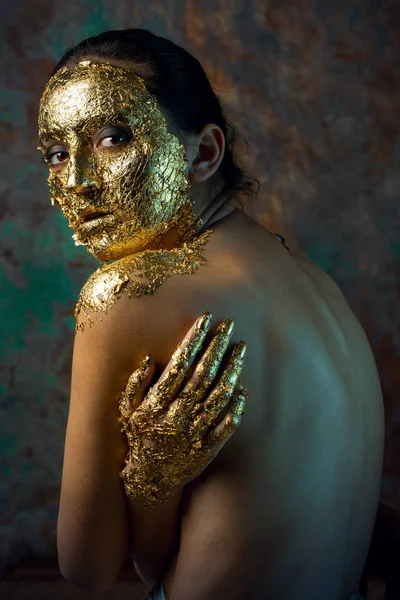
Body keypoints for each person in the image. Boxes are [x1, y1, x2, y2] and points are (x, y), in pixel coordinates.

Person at [37, 29, 384, 600]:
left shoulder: (124, 295)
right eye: (55, 152)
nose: (76, 181)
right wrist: (157, 483)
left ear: (202, 153)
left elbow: (87, 568)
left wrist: (151, 481)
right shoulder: (314, 283)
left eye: (111, 137)